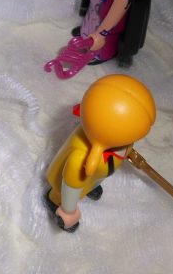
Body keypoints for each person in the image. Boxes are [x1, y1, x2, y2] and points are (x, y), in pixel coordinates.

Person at [44, 74, 156, 232]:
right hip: (64, 182)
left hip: (97, 174)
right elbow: (70, 186)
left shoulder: (123, 138)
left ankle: (91, 186)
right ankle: (53, 202)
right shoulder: (80, 157)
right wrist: (68, 211)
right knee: (61, 194)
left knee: (92, 180)